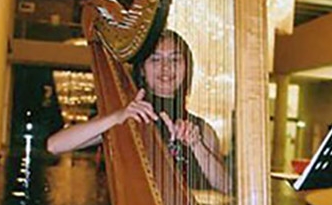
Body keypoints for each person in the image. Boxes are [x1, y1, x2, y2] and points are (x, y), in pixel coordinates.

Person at [47, 30, 231, 194]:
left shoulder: (199, 129)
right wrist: (116, 117)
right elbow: (55, 145)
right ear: (142, 69)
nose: (166, 67)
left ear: (187, 67)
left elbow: (227, 186)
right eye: (155, 59)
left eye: (174, 59)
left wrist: (197, 145)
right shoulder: (129, 117)